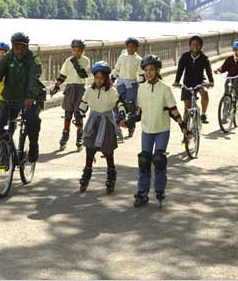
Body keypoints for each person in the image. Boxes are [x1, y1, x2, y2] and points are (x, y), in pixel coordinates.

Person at [121, 55, 187, 207]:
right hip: (146, 130)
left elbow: (173, 110)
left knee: (159, 160)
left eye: (152, 70)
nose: (148, 73)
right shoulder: (141, 89)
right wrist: (129, 121)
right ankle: (142, 192)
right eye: (146, 70)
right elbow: (139, 111)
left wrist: (183, 126)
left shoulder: (165, 88)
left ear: (157, 71)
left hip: (162, 129)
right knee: (144, 161)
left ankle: (159, 190)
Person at [0, 32, 46, 169]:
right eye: (16, 47)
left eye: (22, 48)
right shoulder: (7, 58)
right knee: (4, 128)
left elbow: (33, 79)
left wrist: (30, 96)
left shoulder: (33, 59)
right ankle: (4, 157)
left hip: (30, 97)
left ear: (27, 47)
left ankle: (33, 146)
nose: (19, 51)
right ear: (12, 47)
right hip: (10, 97)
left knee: (32, 120)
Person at [77, 61, 121, 193]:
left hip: (106, 122)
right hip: (93, 122)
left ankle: (111, 177)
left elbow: (118, 102)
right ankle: (86, 175)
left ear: (106, 78)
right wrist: (79, 116)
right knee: (89, 150)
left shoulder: (111, 91)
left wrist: (123, 112)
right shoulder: (90, 90)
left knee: (108, 152)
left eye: (101, 78)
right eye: (96, 77)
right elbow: (84, 104)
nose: (98, 80)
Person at [50, 39, 90, 151]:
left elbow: (83, 75)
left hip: (80, 89)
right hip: (70, 89)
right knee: (68, 115)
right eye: (74, 51)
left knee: (79, 115)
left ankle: (79, 138)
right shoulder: (68, 61)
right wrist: (56, 86)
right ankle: (65, 136)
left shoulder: (86, 60)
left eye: (79, 51)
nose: (76, 53)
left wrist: (74, 62)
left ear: (83, 51)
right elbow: (62, 75)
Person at [173, 35, 214, 124]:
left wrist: (211, 81)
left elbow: (208, 70)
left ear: (201, 46)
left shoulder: (204, 58)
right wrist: (176, 81)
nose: (195, 47)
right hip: (187, 82)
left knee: (204, 93)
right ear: (190, 46)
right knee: (186, 109)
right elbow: (180, 69)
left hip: (199, 81)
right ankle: (185, 132)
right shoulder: (185, 56)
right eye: (193, 45)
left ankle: (203, 114)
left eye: (198, 45)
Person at [111, 37, 144, 138]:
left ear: (136, 48)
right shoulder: (122, 57)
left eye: (133, 47)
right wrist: (112, 79)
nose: (130, 49)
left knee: (131, 106)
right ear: (126, 47)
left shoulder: (139, 60)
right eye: (129, 47)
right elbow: (116, 69)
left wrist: (142, 86)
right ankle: (117, 126)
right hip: (121, 83)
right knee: (118, 103)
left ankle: (131, 127)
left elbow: (141, 74)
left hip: (132, 84)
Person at [214, 41, 238, 108]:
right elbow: (223, 67)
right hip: (230, 77)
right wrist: (218, 70)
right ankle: (225, 107)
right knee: (226, 86)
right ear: (235, 51)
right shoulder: (229, 59)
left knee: (236, 84)